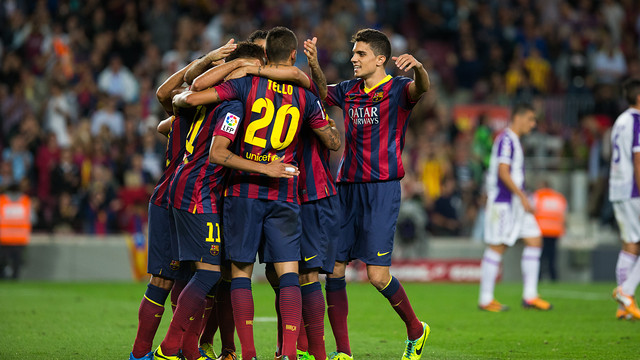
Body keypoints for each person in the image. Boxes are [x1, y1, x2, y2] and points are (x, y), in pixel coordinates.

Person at [177, 26, 340, 360]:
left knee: (239, 273)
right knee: (289, 272)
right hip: (285, 190)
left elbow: (196, 91)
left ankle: (247, 353)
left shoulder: (244, 85)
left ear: (266, 56)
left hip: (242, 191)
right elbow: (332, 141)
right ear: (292, 56)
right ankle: (290, 354)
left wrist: (243, 68)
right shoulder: (305, 96)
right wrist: (327, 129)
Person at [323, 28, 430, 360]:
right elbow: (313, 92)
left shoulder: (398, 90)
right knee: (335, 269)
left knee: (377, 275)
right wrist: (306, 66)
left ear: (380, 59)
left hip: (382, 189)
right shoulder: (347, 90)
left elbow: (421, 88)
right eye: (353, 53)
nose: (353, 59)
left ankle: (416, 329)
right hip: (348, 188)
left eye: (360, 54)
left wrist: (420, 69)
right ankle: (343, 351)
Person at [129, 41, 235, 360]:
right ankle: (168, 349)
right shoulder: (217, 110)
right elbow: (167, 96)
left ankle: (157, 352)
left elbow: (164, 101)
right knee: (199, 274)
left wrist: (203, 61)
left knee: (176, 277)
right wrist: (207, 62)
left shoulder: (180, 114)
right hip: (189, 196)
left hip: (169, 194)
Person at [478, 103, 552, 312]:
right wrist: (523, 197)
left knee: (535, 239)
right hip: (504, 203)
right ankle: (485, 299)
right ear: (518, 118)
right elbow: (503, 172)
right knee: (497, 246)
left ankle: (530, 296)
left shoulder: (514, 141)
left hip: (516, 204)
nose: (533, 124)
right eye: (531, 119)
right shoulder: (507, 139)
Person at [611, 78, 640, 320]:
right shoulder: (638, 121)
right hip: (634, 190)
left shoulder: (620, 121)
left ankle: (623, 308)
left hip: (618, 188)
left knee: (630, 244)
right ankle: (627, 291)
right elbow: (638, 159)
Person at [531, 182, 567, 282]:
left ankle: (538, 278)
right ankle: (553, 278)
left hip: (541, 230)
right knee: (552, 257)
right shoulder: (559, 197)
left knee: (539, 257)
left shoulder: (538, 195)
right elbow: (564, 215)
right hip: (555, 231)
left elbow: (531, 210)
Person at [0, 183, 32, 279]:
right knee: (17, 263)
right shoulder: (26, 201)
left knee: (2, 262)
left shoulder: (2, 201)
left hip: (4, 238)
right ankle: (15, 278)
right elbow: (33, 218)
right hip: (20, 238)